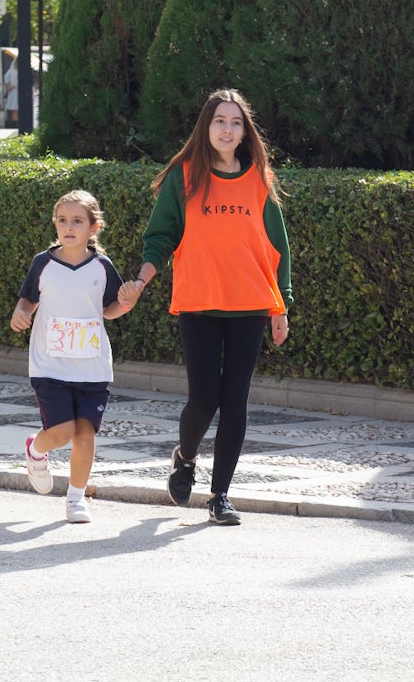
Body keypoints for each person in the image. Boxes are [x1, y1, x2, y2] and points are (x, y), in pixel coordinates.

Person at [118, 88, 292, 526]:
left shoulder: (259, 179)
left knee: (235, 402)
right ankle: (186, 457)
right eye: (219, 121)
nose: (227, 129)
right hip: (199, 301)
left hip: (250, 303)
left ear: (244, 130)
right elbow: (161, 237)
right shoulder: (185, 176)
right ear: (206, 126)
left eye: (235, 122)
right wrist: (140, 280)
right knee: (203, 400)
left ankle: (220, 495)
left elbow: (276, 246)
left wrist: (281, 305)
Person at [11, 189, 135, 523]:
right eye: (63, 220)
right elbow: (27, 300)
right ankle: (36, 450)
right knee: (61, 432)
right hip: (49, 363)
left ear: (94, 228)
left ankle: (76, 498)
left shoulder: (102, 267)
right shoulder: (44, 263)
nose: (69, 227)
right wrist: (20, 313)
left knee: (84, 435)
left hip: (92, 366)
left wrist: (126, 304)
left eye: (78, 221)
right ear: (55, 224)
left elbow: (109, 310)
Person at [4, 55, 19, 126]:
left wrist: (8, 86)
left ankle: (14, 126)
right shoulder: (22, 68)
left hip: (13, 90)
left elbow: (6, 77)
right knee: (17, 111)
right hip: (17, 90)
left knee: (15, 111)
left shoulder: (12, 67)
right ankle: (16, 127)